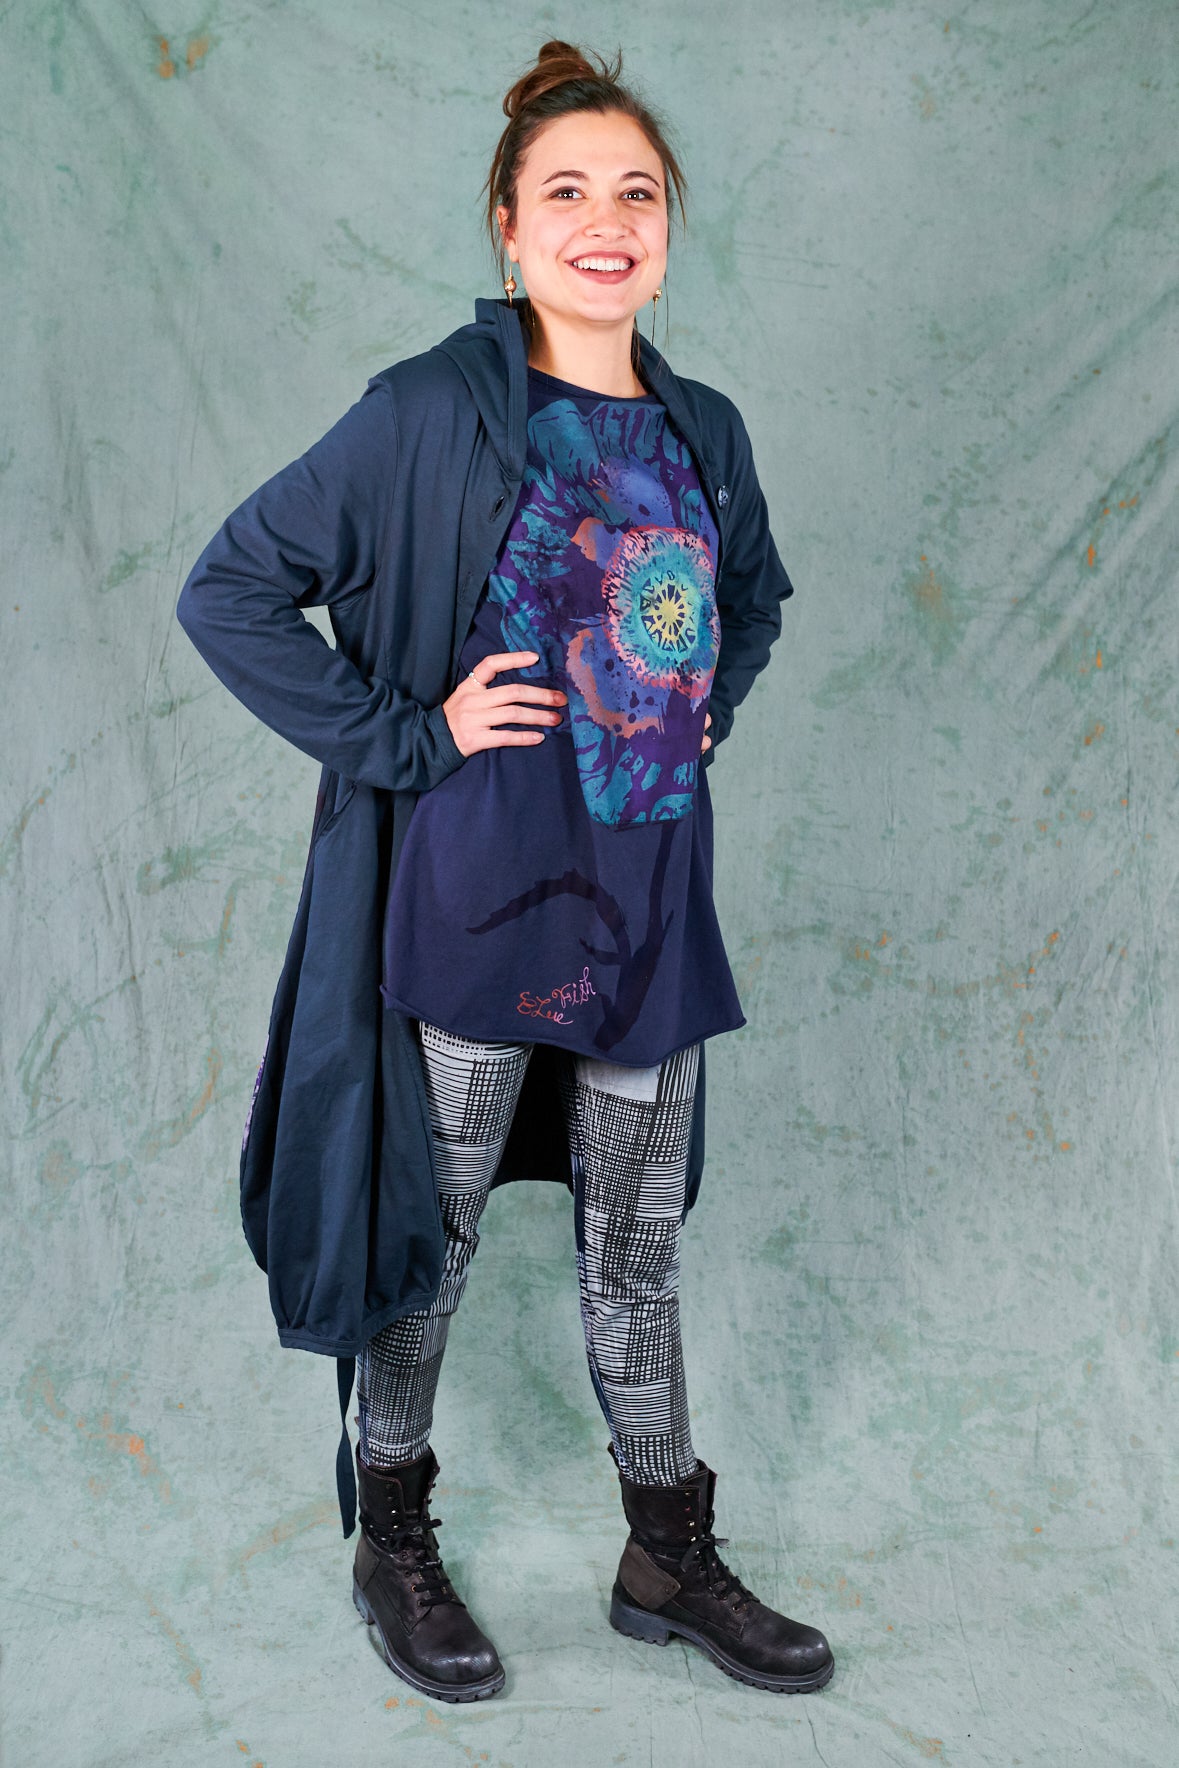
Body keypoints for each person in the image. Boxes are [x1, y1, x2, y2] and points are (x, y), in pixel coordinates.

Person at [176, 38, 833, 1704]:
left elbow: (749, 601)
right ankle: (392, 1534)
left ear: (666, 229)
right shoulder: (428, 411)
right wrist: (412, 734)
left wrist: (698, 711)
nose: (606, 222)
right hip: (477, 901)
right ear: (509, 224)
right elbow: (231, 587)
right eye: (568, 193)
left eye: (637, 194)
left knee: (638, 1246)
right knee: (437, 1236)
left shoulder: (706, 430)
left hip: (649, 911)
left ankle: (665, 1553)